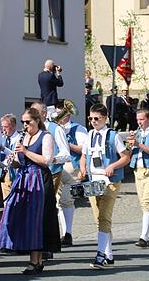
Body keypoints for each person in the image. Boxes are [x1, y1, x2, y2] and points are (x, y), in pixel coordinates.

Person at [0, 107, 61, 274]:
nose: (25, 125)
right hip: (24, 179)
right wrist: (12, 160)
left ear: (37, 121)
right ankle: (35, 259)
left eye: (28, 122)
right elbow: (20, 162)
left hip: (39, 179)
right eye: (23, 122)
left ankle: (36, 260)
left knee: (37, 219)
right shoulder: (24, 137)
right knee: (23, 217)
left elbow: (46, 160)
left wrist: (25, 151)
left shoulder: (45, 136)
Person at [82, 104, 131, 269]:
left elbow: (125, 157)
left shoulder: (112, 136)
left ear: (105, 119)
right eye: (91, 118)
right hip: (93, 179)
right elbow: (84, 155)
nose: (93, 122)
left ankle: (101, 254)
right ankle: (109, 254)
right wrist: (82, 169)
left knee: (104, 216)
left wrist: (113, 166)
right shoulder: (89, 135)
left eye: (97, 118)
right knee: (98, 219)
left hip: (110, 181)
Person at [126, 109, 149, 247]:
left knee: (147, 202)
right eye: (137, 120)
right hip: (138, 170)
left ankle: (143, 236)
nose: (139, 122)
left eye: (141, 119)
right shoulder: (138, 133)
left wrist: (138, 144)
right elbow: (130, 152)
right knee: (145, 205)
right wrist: (129, 144)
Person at [54, 102, 89, 246]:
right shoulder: (54, 128)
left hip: (71, 167)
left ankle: (68, 233)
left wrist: (65, 144)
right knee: (57, 202)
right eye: (57, 112)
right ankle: (62, 233)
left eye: (61, 112)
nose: (59, 115)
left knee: (67, 201)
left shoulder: (78, 129)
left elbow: (84, 149)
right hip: (56, 166)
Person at [0, 114, 19, 199]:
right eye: (2, 126)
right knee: (6, 201)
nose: (3, 129)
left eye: (6, 127)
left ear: (13, 126)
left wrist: (3, 149)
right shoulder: (2, 138)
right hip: (5, 173)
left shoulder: (20, 138)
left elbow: (16, 155)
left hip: (16, 173)